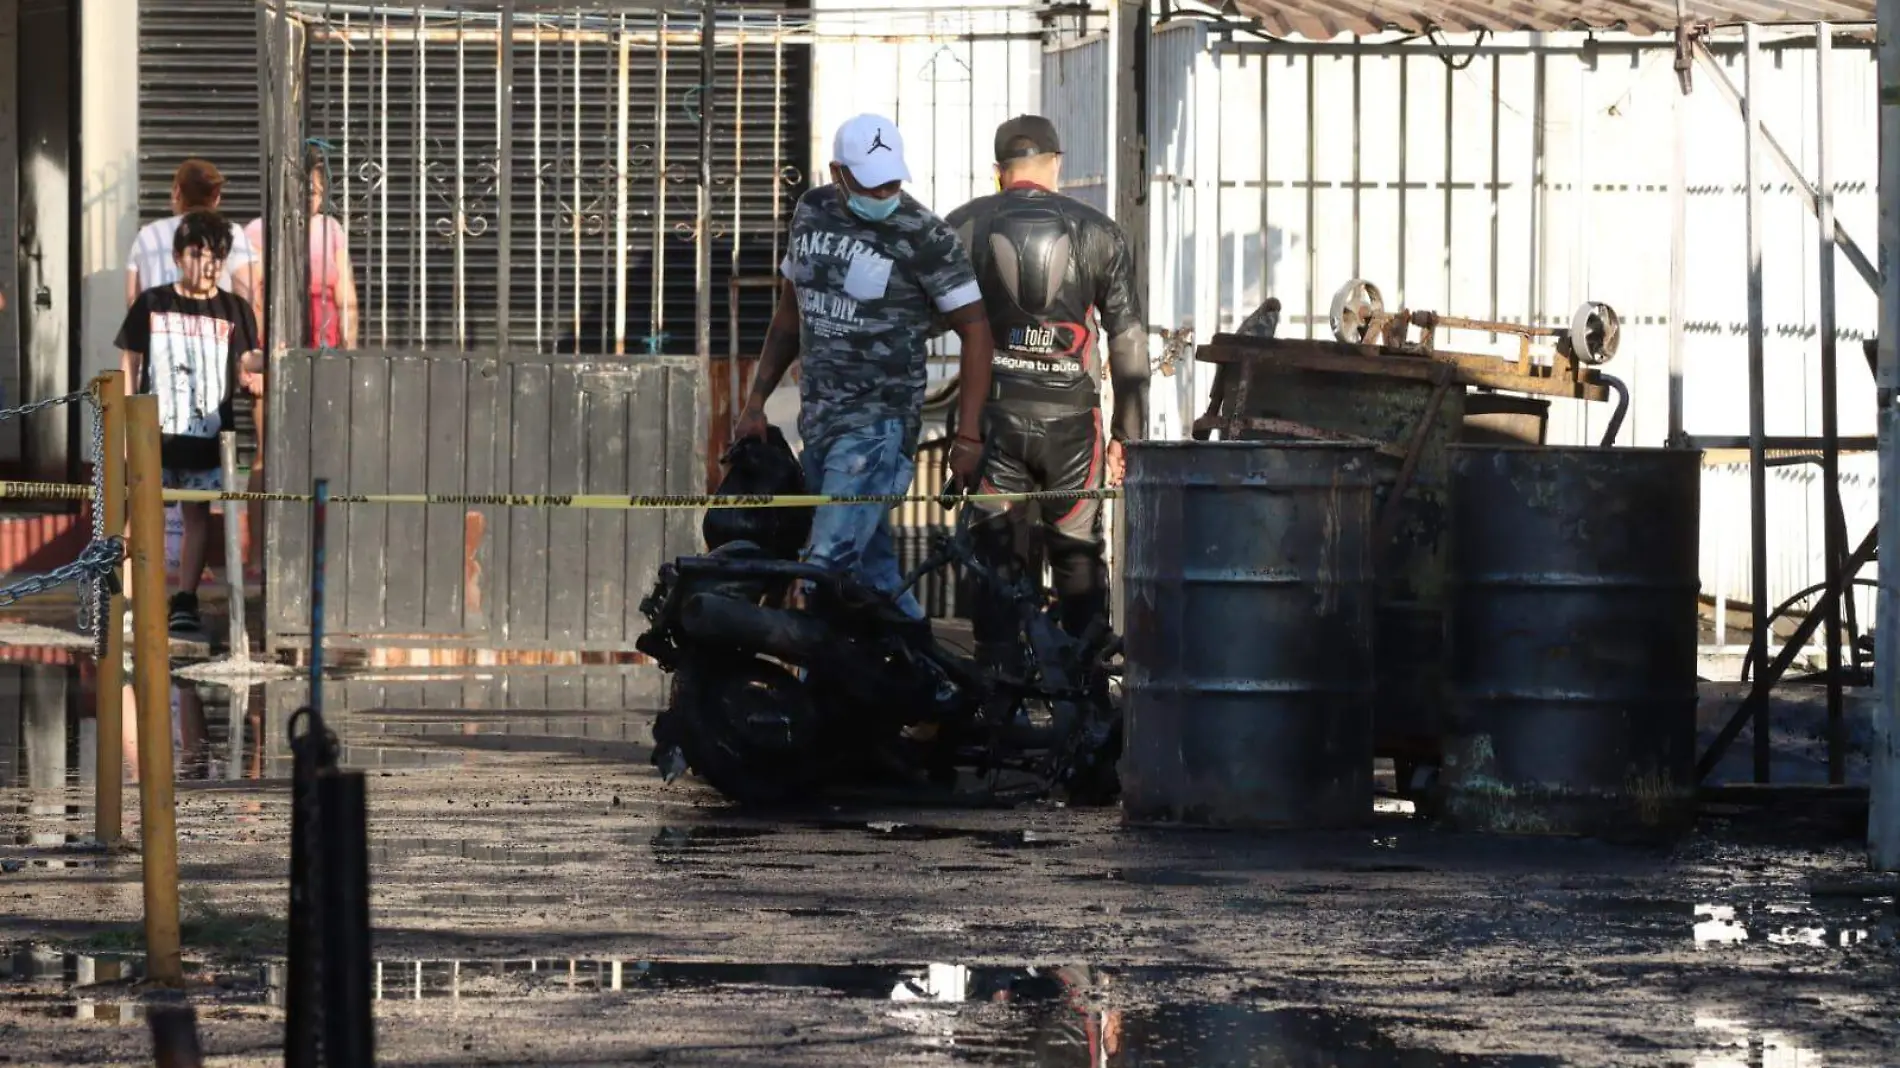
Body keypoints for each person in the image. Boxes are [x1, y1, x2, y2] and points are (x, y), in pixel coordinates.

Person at [735, 113, 995, 620]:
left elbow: (977, 331)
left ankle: (820, 696)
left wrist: (968, 437)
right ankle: (933, 687)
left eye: (893, 181)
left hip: (877, 430)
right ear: (838, 174)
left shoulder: (925, 236)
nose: (885, 193)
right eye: (873, 184)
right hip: (821, 425)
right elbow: (791, 316)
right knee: (875, 578)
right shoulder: (811, 211)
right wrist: (754, 402)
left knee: (826, 569)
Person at [944, 115, 1149, 665]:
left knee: (994, 559)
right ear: (1056, 164)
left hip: (994, 423)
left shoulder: (963, 226)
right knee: (1079, 555)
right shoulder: (1099, 231)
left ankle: (995, 700)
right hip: (1074, 426)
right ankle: (1084, 702)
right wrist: (1128, 436)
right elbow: (1128, 338)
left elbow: (919, 319)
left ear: (998, 172)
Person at [115, 211, 265, 637]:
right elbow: (129, 360)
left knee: (197, 514)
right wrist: (127, 417)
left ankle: (185, 600)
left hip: (206, 435)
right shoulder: (153, 302)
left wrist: (272, 358)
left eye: (216, 256)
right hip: (153, 432)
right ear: (179, 257)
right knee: (141, 516)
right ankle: (127, 599)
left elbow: (246, 359)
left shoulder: (234, 308)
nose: (208, 265)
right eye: (198, 254)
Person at [244, 146, 359, 351]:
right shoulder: (258, 230)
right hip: (274, 339)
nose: (306, 197)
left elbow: (346, 298)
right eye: (299, 191)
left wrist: (348, 350)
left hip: (324, 343)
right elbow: (251, 295)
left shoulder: (331, 229)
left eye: (313, 192)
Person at [125, 159, 260, 311]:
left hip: (158, 330)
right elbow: (248, 292)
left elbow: (133, 302)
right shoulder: (231, 232)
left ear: (177, 192)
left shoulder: (147, 235)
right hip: (214, 329)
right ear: (216, 199)